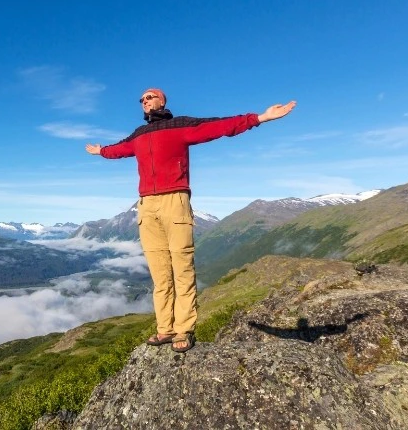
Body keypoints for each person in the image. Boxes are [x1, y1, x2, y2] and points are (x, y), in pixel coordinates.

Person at [86, 88, 296, 353]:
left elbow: (219, 126)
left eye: (149, 96)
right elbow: (119, 149)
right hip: (146, 207)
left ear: (162, 100)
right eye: (141, 100)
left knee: (182, 268)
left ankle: (183, 329)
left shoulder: (181, 126)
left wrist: (260, 118)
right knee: (160, 275)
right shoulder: (139, 135)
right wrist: (101, 151)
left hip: (175, 201)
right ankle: (165, 329)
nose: (145, 101)